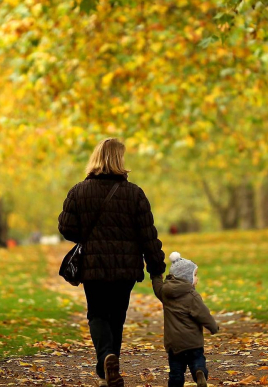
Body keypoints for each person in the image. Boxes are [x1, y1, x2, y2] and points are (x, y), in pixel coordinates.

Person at [58, 138, 166, 387]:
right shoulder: (134, 193)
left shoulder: (78, 191)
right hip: (126, 268)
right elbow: (147, 235)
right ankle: (110, 363)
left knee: (97, 313)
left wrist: (88, 235)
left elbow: (66, 228)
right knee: (117, 316)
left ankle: (105, 358)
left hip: (93, 266)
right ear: (120, 160)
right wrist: (157, 269)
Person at [152, 252, 218, 387]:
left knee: (176, 371)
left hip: (174, 344)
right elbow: (203, 314)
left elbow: (157, 286)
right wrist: (213, 327)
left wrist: (156, 275)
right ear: (186, 277)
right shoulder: (192, 295)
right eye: (195, 275)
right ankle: (199, 372)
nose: (197, 278)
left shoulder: (165, 293)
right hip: (193, 342)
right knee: (197, 361)